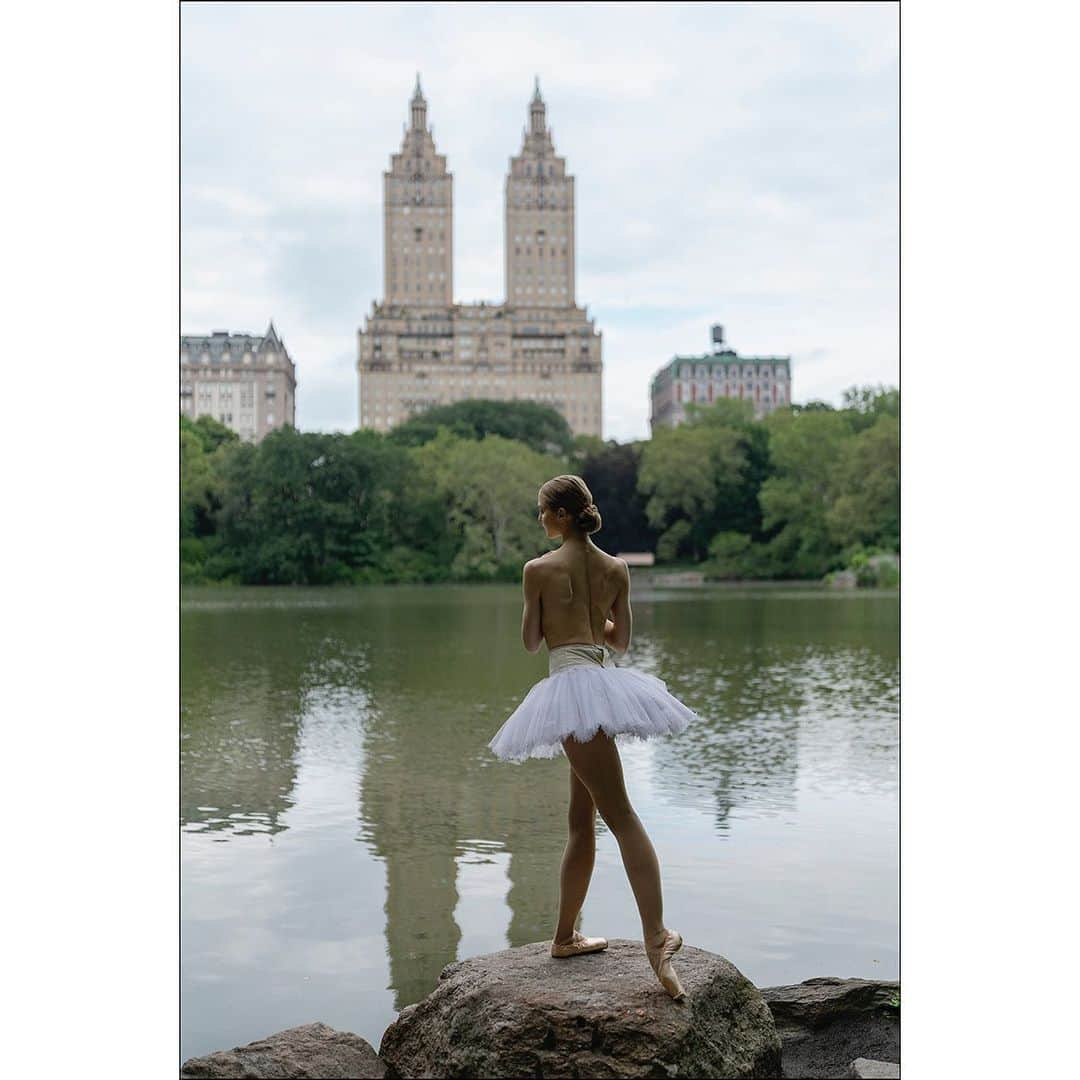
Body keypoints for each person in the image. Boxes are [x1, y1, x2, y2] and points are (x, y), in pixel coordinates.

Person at [487, 474, 701, 1001]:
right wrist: (591, 627)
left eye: (542, 512)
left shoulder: (538, 569)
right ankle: (565, 937)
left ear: (560, 516)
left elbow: (533, 642)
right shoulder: (617, 569)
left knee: (620, 814)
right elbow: (621, 640)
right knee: (579, 820)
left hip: (570, 687)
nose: (540, 521)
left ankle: (656, 939)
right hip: (605, 682)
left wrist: (560, 621)